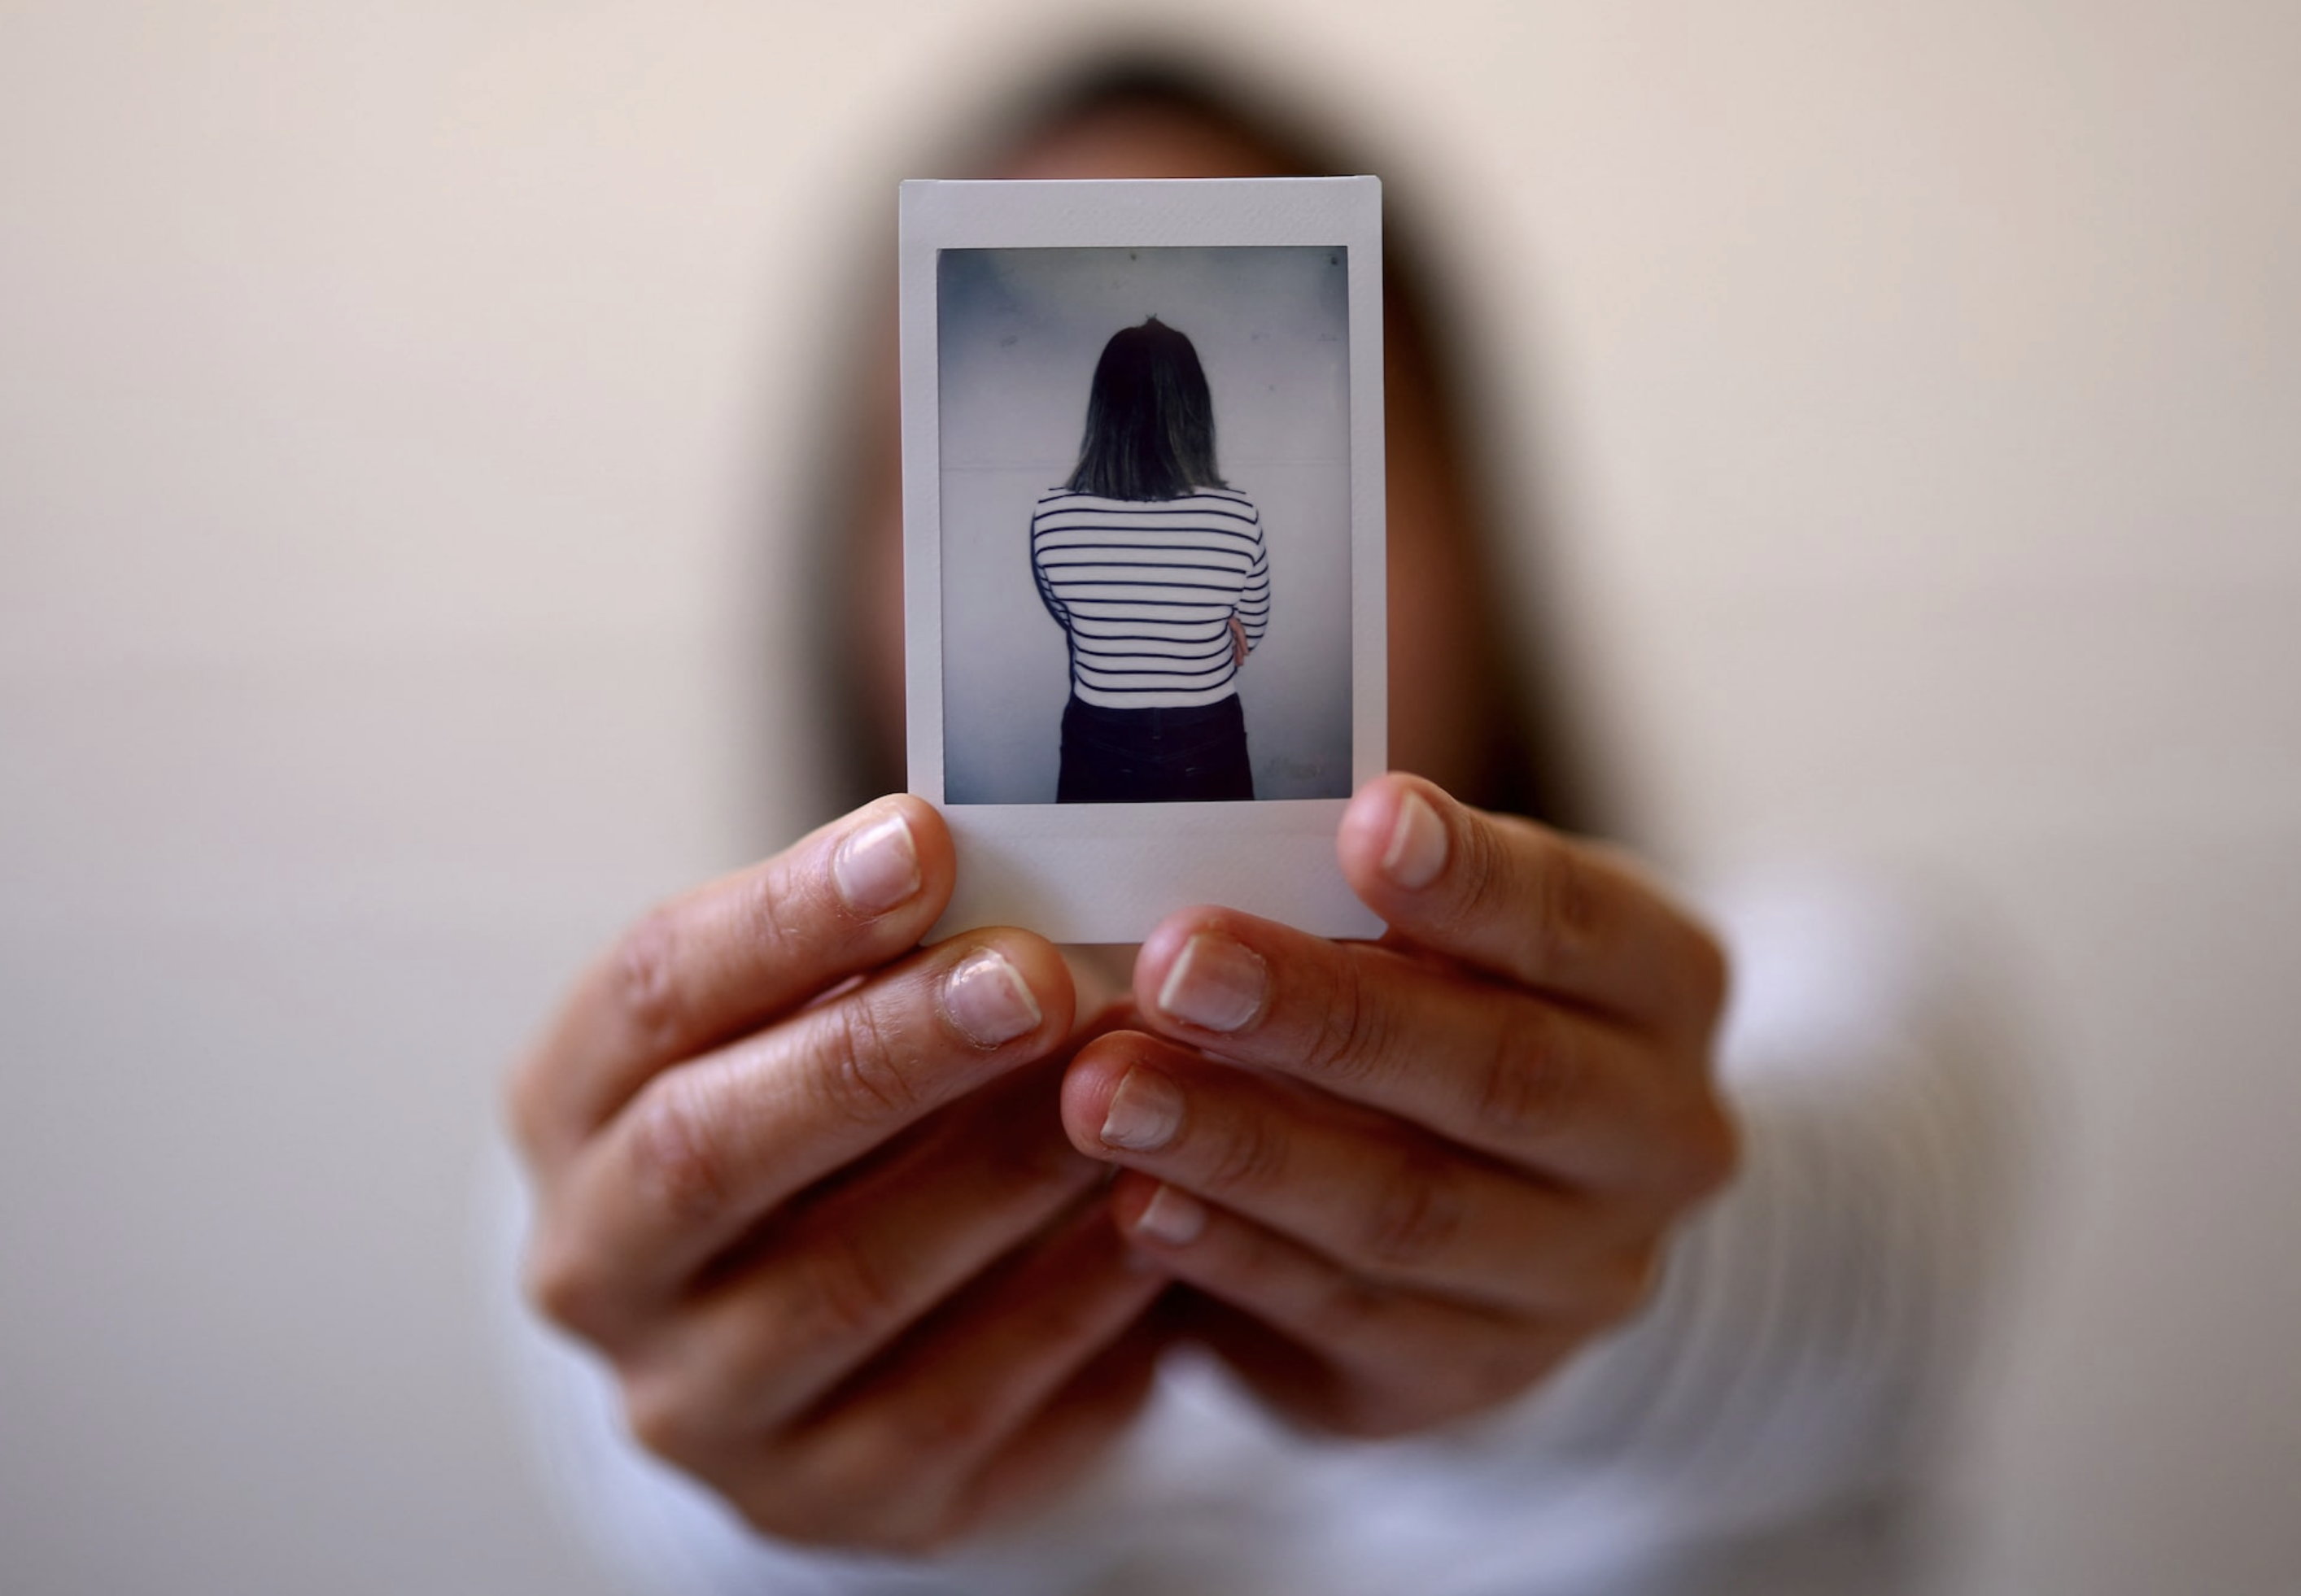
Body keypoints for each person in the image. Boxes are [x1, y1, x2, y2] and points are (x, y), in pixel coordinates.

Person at [499, 55, 2013, 1596]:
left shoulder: (1833, 973)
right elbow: (1249, 627)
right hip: (1206, 714)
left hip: (1097, 736)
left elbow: (1840, 1245)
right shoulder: (674, 1137)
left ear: (1469, 516)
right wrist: (794, 1450)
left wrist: (1587, 1293)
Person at [1034, 316, 1268, 804]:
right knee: (1221, 876)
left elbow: (1068, 614)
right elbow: (1254, 631)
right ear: (1194, 409)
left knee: (1097, 876)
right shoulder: (1237, 513)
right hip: (1207, 727)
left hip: (1100, 732)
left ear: (1105, 408)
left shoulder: (1052, 515)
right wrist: (1209, 615)